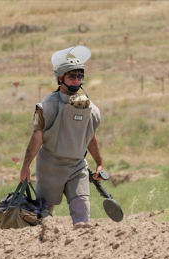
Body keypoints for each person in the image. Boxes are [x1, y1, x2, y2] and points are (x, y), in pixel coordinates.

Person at [20, 45, 104, 228]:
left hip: (77, 166)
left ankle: (83, 248)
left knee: (82, 207)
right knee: (44, 214)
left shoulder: (91, 110)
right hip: (51, 166)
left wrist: (99, 163)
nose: (77, 80)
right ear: (60, 78)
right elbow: (37, 138)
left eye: (80, 76)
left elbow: (90, 137)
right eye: (71, 76)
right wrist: (26, 166)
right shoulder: (45, 107)